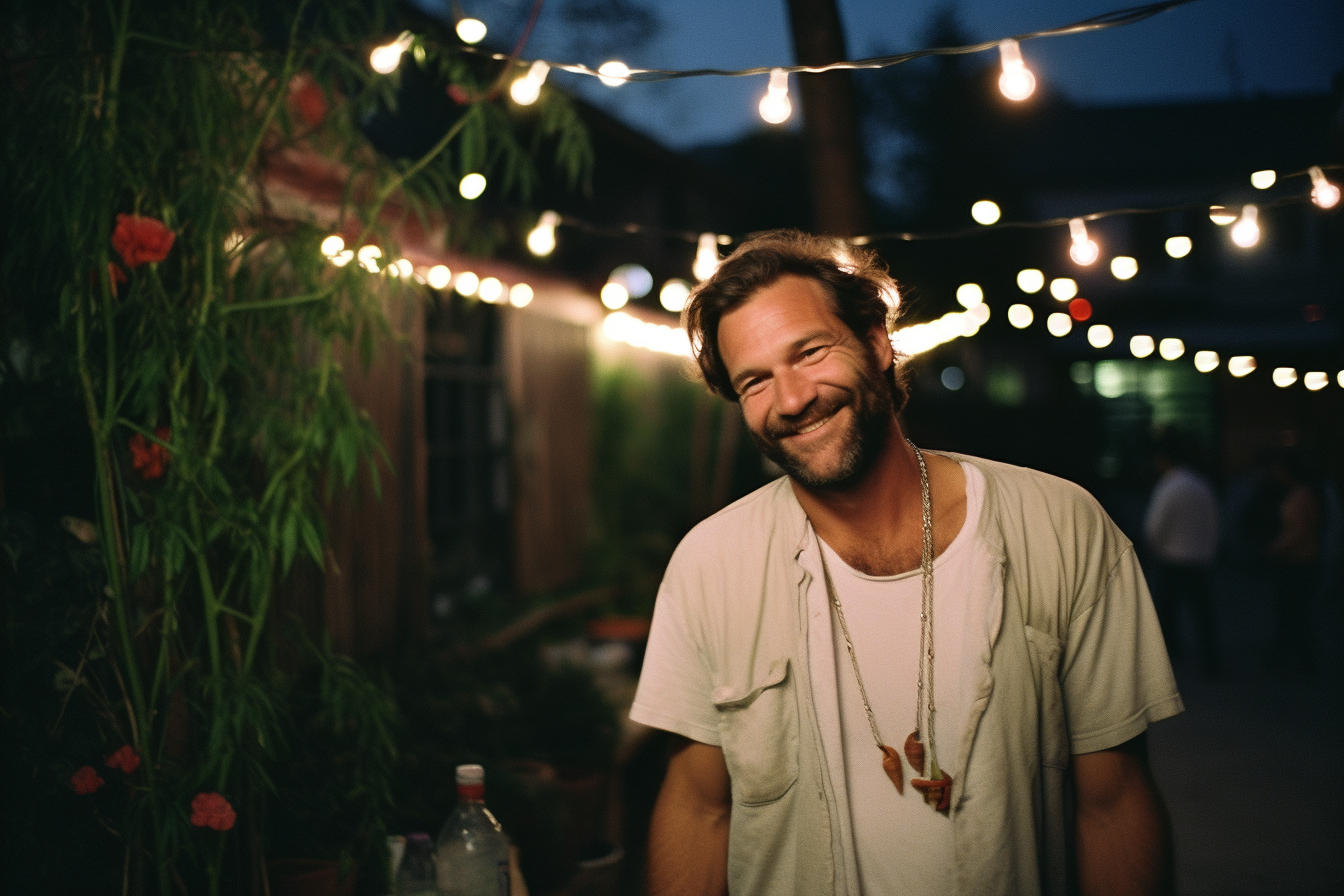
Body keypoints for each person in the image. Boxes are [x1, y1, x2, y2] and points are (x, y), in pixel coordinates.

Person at [630, 230, 1182, 896]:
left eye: (809, 352)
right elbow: (698, 808)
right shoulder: (709, 566)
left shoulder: (1061, 526)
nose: (793, 398)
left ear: (877, 341)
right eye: (755, 380)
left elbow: (1113, 802)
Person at [1143, 429, 1221, 676]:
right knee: (1203, 615)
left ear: (1164, 460)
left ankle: (1163, 669)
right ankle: (1211, 664)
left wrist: (1155, 548)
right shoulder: (1200, 483)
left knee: (1167, 614)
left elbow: (1154, 527)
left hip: (1172, 559)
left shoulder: (1169, 486)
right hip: (1198, 559)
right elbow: (1214, 521)